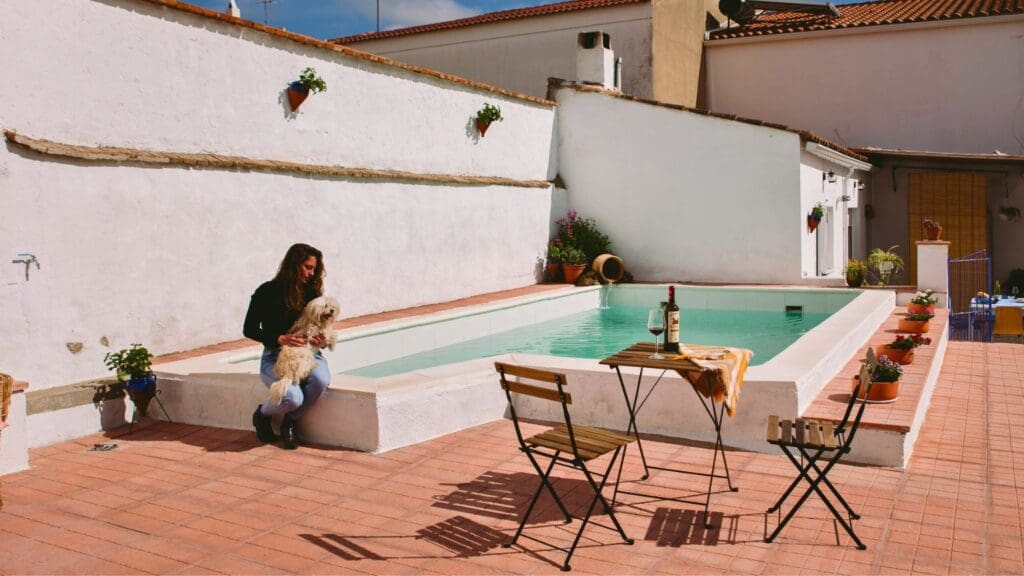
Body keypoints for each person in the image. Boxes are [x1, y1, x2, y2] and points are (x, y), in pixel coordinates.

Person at [243, 243, 330, 449]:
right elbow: (249, 329)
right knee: (292, 397)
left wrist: (322, 341)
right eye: (308, 267)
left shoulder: (312, 294)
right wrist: (280, 339)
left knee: (321, 380)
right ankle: (262, 414)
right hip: (276, 357)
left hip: (308, 355)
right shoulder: (266, 292)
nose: (311, 273)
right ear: (294, 264)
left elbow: (323, 328)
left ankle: (290, 422)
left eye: (314, 269)